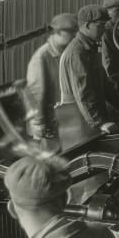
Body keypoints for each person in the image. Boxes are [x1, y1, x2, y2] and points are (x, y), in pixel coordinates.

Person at [58, 4, 119, 137]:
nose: (104, 29)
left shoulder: (90, 49)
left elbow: (106, 86)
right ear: (87, 25)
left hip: (91, 120)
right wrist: (100, 123)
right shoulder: (77, 53)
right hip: (79, 125)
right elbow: (83, 93)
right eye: (100, 25)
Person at [26, 13, 78, 144]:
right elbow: (35, 93)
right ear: (58, 32)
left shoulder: (69, 52)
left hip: (68, 119)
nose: (75, 36)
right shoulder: (41, 57)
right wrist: (38, 122)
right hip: (49, 125)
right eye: (71, 32)